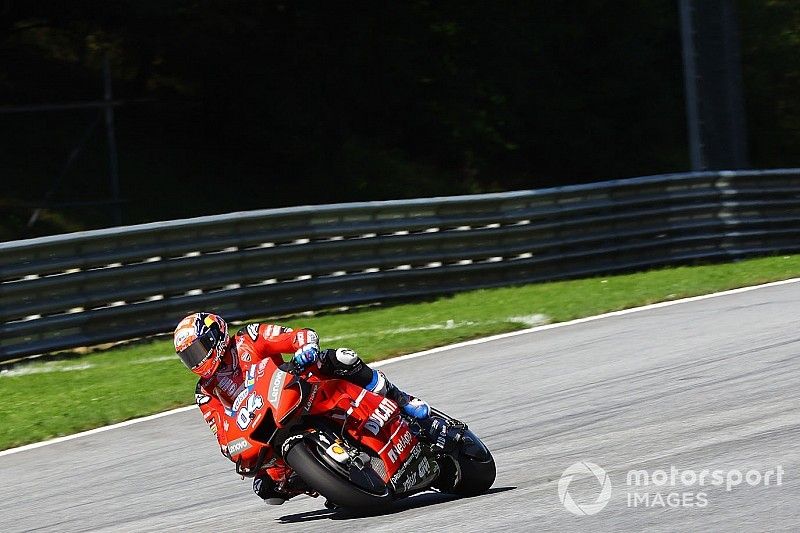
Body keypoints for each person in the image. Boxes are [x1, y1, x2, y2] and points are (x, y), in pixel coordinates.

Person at [173, 311, 430, 504]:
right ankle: (327, 481)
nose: (196, 361)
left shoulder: (248, 338)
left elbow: (297, 335)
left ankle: (402, 400)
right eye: (189, 357)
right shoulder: (205, 392)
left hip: (295, 392)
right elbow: (222, 433)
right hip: (266, 430)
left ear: (215, 337)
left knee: (340, 358)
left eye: (198, 350)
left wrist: (305, 347)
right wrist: (234, 450)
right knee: (266, 489)